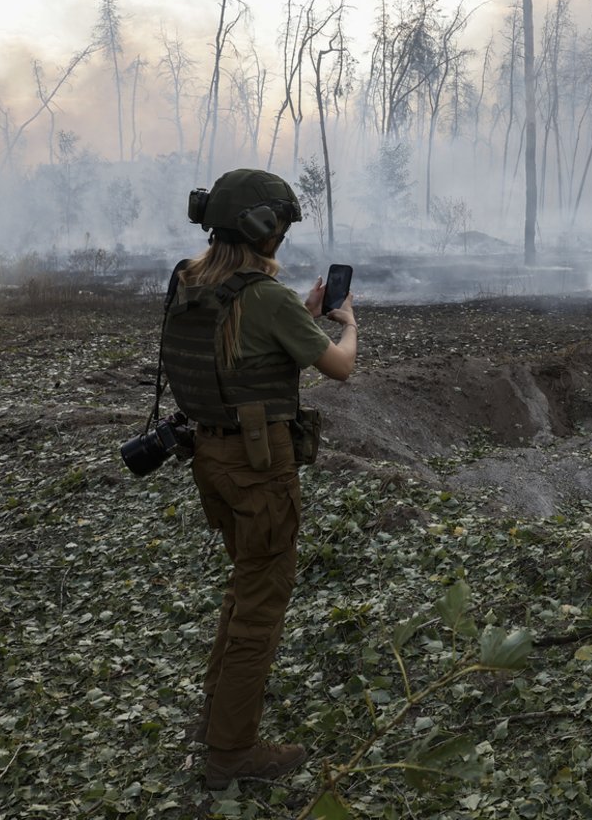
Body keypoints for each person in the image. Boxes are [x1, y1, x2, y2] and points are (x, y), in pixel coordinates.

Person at [162, 167, 357, 789]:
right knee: (260, 607)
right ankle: (231, 754)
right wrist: (346, 324)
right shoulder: (264, 297)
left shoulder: (189, 281)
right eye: (282, 225)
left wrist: (295, 315)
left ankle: (216, 718)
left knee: (244, 584)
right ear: (264, 227)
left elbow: (237, 348)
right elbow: (339, 368)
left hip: (211, 459)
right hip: (258, 466)